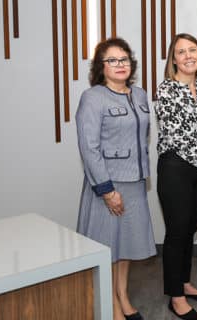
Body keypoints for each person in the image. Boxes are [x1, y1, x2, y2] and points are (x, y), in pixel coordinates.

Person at [75, 37, 156, 320]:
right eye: (112, 60)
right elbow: (89, 148)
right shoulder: (93, 98)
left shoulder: (140, 94)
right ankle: (109, 303)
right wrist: (107, 190)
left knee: (127, 245)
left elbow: (142, 136)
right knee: (108, 246)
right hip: (107, 185)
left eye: (124, 59)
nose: (120, 65)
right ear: (101, 66)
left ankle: (122, 295)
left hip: (135, 183)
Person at [155, 33, 197, 320]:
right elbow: (177, 134)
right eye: (180, 52)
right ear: (173, 60)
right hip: (176, 168)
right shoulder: (166, 90)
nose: (187, 56)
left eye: (192, 50)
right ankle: (176, 296)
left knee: (189, 231)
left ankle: (184, 282)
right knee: (176, 232)